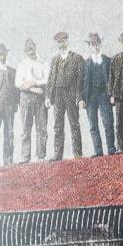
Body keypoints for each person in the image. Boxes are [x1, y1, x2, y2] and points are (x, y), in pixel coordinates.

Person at [45, 31, 85, 160]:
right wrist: (47, 97)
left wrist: (79, 98)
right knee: (57, 125)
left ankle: (77, 153)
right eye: (58, 42)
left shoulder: (77, 58)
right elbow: (51, 79)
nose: (61, 43)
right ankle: (57, 154)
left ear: (67, 41)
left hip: (71, 94)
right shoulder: (54, 60)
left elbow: (80, 80)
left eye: (63, 41)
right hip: (57, 95)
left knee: (74, 123)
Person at [15, 38, 50, 163]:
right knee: (25, 128)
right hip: (26, 98)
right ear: (25, 51)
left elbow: (47, 80)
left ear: (36, 48)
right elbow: (18, 83)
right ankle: (25, 157)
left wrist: (34, 82)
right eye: (28, 50)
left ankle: (41, 156)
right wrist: (33, 89)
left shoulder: (43, 63)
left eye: (32, 49)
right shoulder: (22, 65)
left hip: (41, 99)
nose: (31, 52)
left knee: (42, 128)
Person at [80, 32, 114, 156]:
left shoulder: (108, 61)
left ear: (100, 44)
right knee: (93, 124)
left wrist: (112, 95)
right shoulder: (85, 63)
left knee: (108, 122)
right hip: (91, 96)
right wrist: (82, 99)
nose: (95, 46)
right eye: (93, 44)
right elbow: (81, 83)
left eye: (97, 43)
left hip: (104, 95)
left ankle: (111, 149)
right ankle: (98, 151)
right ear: (89, 46)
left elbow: (112, 79)